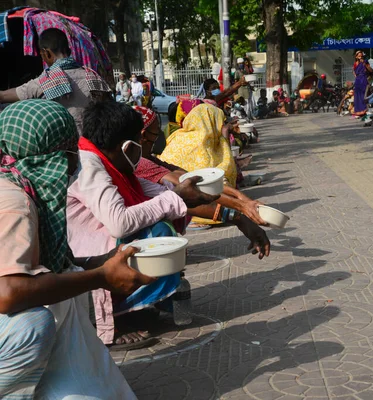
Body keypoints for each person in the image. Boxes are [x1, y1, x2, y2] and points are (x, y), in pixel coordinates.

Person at [0, 99, 148, 398]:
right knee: (33, 323)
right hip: (11, 318)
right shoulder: (15, 203)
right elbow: (9, 292)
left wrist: (103, 262)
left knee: (68, 281)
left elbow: (44, 267)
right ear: (49, 157)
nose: (75, 163)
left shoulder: (19, 184)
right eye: (70, 152)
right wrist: (101, 278)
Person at [67, 102, 219, 348]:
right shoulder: (91, 166)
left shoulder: (110, 161)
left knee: (163, 226)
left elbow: (161, 193)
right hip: (88, 255)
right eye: (140, 140)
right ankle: (112, 319)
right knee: (157, 234)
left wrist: (184, 196)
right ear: (126, 146)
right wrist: (176, 198)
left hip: (99, 243)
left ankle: (136, 305)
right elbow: (119, 223)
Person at [134, 106, 270, 232]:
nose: (159, 134)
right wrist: (240, 208)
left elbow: (198, 179)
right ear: (143, 135)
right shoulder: (141, 163)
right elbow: (193, 187)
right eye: (157, 131)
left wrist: (242, 198)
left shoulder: (149, 157)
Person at [0, 28, 111, 135]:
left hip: (63, 149)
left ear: (46, 53)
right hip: (92, 147)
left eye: (42, 55)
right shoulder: (93, 77)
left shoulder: (46, 81)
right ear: (69, 50)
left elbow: (4, 96)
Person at [353, 50, 373, 117]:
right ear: (356, 56)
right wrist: (356, 76)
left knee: (363, 95)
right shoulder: (355, 63)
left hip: (363, 79)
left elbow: (371, 70)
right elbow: (354, 71)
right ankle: (358, 111)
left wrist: (365, 65)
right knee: (357, 96)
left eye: (361, 56)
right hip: (358, 80)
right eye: (359, 56)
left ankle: (364, 110)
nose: (360, 57)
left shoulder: (365, 62)